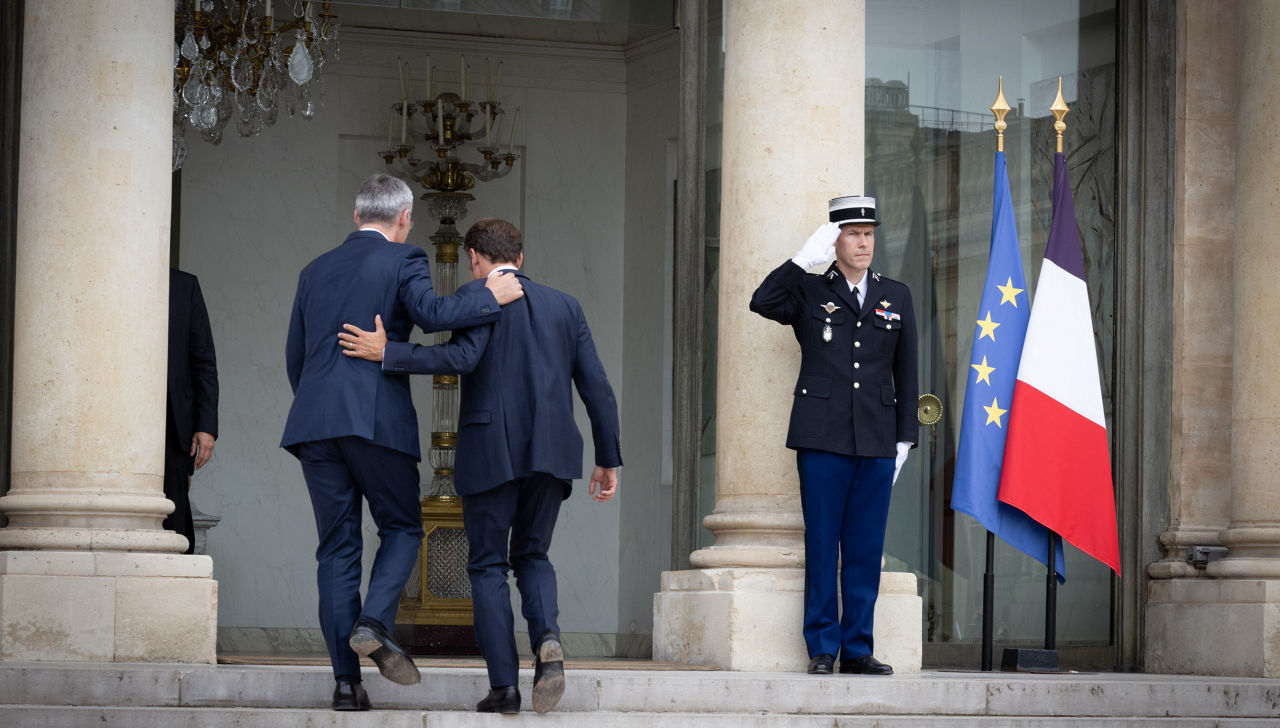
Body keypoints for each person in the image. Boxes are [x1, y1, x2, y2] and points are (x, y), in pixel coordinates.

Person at [338, 217, 622, 715]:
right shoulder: (566, 306)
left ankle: (504, 689)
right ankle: (548, 643)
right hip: (554, 452)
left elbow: (458, 359)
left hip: (491, 449)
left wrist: (389, 353)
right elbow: (597, 387)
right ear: (520, 257)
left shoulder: (479, 296)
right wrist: (608, 458)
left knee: (488, 566)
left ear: (473, 257)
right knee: (533, 556)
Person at [281, 174, 524, 712]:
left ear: (356, 216)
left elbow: (296, 355)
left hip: (314, 425)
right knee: (402, 527)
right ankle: (373, 622)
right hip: (377, 421)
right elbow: (432, 316)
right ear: (405, 219)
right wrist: (490, 296)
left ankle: (347, 686)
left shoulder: (313, 270)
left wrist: (323, 406)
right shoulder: (405, 257)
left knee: (336, 550)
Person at [748, 195, 917, 676]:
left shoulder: (896, 295)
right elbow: (762, 301)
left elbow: (907, 370)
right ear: (835, 241)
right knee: (823, 545)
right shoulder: (807, 289)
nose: (864, 243)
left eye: (869, 234)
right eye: (853, 234)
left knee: (865, 548)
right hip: (822, 438)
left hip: (877, 438)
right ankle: (822, 647)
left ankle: (858, 648)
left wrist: (905, 438)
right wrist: (802, 260)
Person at [165, 268, 219, 555]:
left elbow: (203, 360)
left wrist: (206, 425)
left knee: (175, 516)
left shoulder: (184, 286)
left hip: (174, 424)